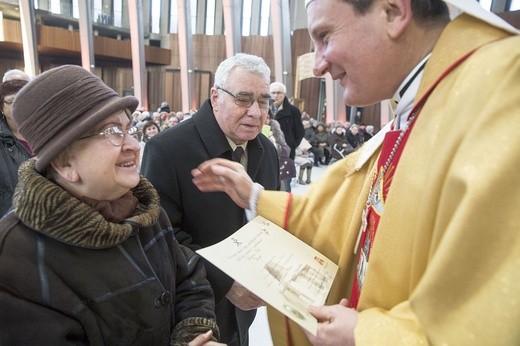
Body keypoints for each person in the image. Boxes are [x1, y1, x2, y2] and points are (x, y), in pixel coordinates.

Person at [191, 0, 520, 344]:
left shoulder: (503, 90)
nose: (318, 66)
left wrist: (368, 335)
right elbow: (348, 209)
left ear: (393, 12)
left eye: (324, 36)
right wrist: (255, 196)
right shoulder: (422, 104)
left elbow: (491, 313)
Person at [0, 65, 222, 345]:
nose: (134, 145)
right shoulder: (16, 259)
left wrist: (192, 335)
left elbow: (188, 279)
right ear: (65, 163)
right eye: (112, 131)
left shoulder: (144, 209)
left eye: (129, 129)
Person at [141, 53, 280, 346]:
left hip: (245, 307)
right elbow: (159, 237)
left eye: (264, 101)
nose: (256, 112)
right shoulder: (166, 150)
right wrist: (225, 281)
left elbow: (269, 221)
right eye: (243, 99)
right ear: (215, 97)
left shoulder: (266, 150)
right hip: (189, 308)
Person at [0, 78, 31, 217]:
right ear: (1, 108)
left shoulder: (45, 132)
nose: (18, 105)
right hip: (14, 217)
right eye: (12, 101)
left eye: (24, 99)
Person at [270, 82, 304, 163]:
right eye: (273, 93)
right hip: (267, 148)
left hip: (285, 150)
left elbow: (300, 131)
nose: (275, 95)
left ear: (284, 94)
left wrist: (292, 145)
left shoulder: (293, 111)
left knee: (284, 174)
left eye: (279, 93)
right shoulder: (264, 109)